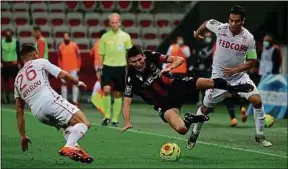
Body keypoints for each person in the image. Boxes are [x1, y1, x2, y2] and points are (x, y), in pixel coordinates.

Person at [189, 5, 272, 149]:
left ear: (243, 21)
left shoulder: (248, 38)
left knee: (257, 101)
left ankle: (260, 135)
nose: (233, 23)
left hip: (239, 77)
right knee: (205, 109)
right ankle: (195, 132)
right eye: (231, 20)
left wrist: (235, 70)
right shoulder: (220, 28)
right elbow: (207, 23)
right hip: (218, 78)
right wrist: (197, 33)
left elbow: (252, 62)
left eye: (236, 21)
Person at [120, 46, 254, 135]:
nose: (138, 63)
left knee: (207, 82)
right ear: (129, 62)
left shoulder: (150, 56)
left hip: (176, 85)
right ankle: (189, 119)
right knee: (182, 129)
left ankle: (235, 87)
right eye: (133, 62)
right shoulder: (131, 78)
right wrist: (127, 122)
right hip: (164, 105)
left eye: (139, 59)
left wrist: (169, 68)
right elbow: (126, 103)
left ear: (143, 56)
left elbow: (179, 59)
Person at [14, 45, 93, 163]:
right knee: (84, 122)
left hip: (38, 114)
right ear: (35, 54)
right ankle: (69, 146)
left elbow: (19, 110)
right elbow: (63, 75)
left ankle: (74, 148)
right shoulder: (40, 62)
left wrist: (23, 135)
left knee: (67, 126)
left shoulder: (17, 79)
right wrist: (77, 83)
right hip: (49, 100)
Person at [99, 13, 132, 127]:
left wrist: (131, 66)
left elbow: (130, 53)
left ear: (120, 22)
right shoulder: (104, 37)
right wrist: (99, 68)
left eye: (116, 22)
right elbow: (101, 54)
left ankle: (114, 120)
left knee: (118, 94)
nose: (114, 24)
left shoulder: (126, 37)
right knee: (106, 90)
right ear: (109, 23)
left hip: (121, 67)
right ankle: (107, 116)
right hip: (107, 67)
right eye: (112, 22)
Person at [58, 32, 81, 106]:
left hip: (74, 68)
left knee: (75, 84)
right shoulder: (61, 46)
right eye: (65, 36)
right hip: (64, 69)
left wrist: (78, 67)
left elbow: (79, 57)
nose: (66, 37)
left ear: (69, 37)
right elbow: (59, 58)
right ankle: (64, 101)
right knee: (64, 84)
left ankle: (75, 100)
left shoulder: (74, 45)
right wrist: (60, 68)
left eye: (67, 36)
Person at [1, 29, 21, 104]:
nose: (8, 36)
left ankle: (17, 97)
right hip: (5, 65)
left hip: (14, 64)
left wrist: (19, 62)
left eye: (9, 35)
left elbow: (18, 52)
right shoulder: (1, 42)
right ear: (4, 36)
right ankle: (6, 97)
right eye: (7, 35)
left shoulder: (16, 42)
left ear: (12, 35)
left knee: (16, 81)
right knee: (5, 82)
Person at [90, 29, 107, 115]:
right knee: (102, 81)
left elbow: (91, 53)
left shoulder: (96, 43)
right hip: (103, 64)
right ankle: (96, 99)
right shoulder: (105, 43)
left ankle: (95, 98)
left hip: (97, 64)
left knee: (100, 81)